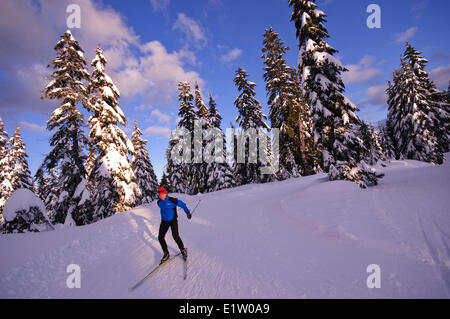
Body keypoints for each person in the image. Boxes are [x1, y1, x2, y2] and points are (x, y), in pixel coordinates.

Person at [156, 187, 191, 264]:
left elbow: (182, 204)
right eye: (159, 195)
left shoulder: (172, 200)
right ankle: (166, 253)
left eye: (162, 194)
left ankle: (183, 250)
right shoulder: (159, 203)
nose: (161, 196)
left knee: (175, 236)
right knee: (160, 237)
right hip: (164, 221)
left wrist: (188, 212)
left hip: (173, 221)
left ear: (165, 193)